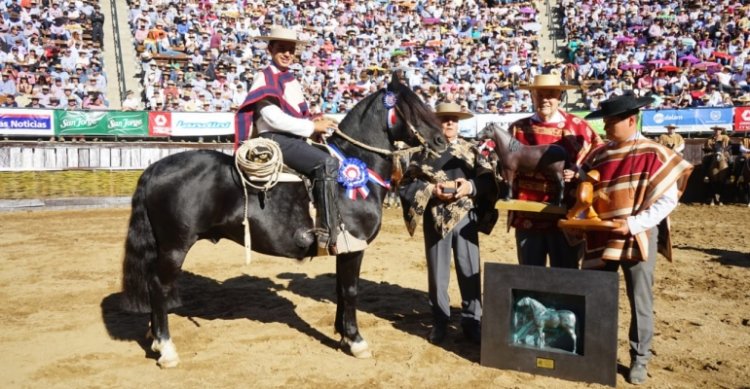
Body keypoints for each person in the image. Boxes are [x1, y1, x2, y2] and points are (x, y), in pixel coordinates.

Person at [580, 93, 693, 385]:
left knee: (639, 298)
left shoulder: (655, 153)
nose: (605, 126)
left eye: (610, 121)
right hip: (602, 234)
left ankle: (639, 358)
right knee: (598, 296)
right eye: (604, 121)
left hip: (638, 234)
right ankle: (598, 352)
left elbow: (667, 201)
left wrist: (631, 224)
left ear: (630, 120)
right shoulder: (599, 154)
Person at [234, 26, 362, 255]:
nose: (286, 53)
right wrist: (312, 126)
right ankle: (328, 232)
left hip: (291, 137)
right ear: (270, 49)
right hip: (274, 137)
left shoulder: (290, 79)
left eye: (290, 50)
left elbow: (292, 116)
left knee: (332, 156)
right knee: (327, 163)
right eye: (281, 48)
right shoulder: (264, 76)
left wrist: (314, 121)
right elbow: (271, 117)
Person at [399, 102, 498, 345]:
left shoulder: (472, 150)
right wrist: (431, 189)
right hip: (435, 218)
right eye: (444, 119)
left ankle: (472, 321)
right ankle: (440, 321)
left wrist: (471, 187)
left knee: (469, 270)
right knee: (437, 274)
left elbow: (490, 183)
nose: (450, 123)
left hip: (466, 220)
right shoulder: (422, 153)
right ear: (436, 122)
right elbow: (406, 185)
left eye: (453, 118)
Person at [507, 74, 604, 268]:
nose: (545, 99)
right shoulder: (517, 129)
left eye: (550, 94)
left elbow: (599, 157)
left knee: (565, 273)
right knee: (530, 272)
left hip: (567, 216)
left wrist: (580, 171)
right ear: (532, 96)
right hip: (528, 216)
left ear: (560, 96)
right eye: (539, 94)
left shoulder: (578, 127)